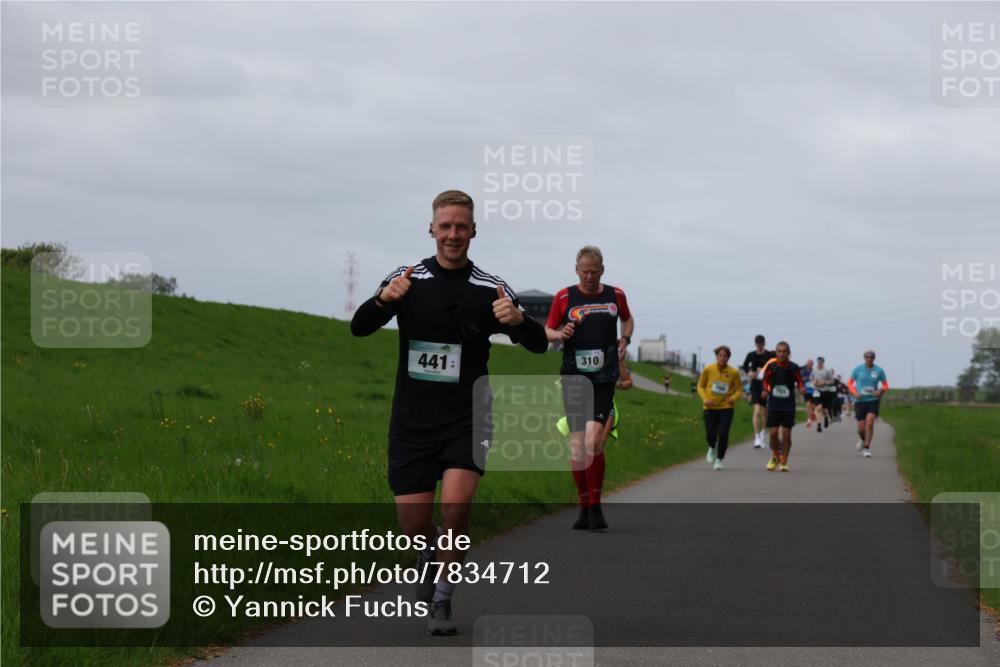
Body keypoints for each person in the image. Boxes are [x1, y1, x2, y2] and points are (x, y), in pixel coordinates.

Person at [350, 190, 548, 635]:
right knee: (413, 524)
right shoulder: (407, 278)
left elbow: (538, 344)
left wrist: (518, 322)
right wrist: (383, 301)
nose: (453, 234)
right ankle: (429, 549)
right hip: (412, 421)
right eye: (445, 226)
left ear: (474, 230)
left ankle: (442, 600)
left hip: (468, 417)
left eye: (462, 226)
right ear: (432, 229)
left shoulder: (490, 287)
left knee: (456, 508)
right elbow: (359, 327)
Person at [545, 246, 634, 531]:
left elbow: (627, 319)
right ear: (576, 270)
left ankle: (596, 507)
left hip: (603, 377)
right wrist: (559, 333)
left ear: (602, 270)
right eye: (585, 272)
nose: (590, 277)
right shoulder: (564, 296)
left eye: (595, 272)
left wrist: (625, 339)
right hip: (574, 375)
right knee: (576, 444)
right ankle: (583, 508)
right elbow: (547, 329)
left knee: (593, 441)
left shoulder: (615, 295)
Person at [760, 341, 805, 472]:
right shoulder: (772, 366)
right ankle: (775, 456)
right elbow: (765, 382)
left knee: (786, 434)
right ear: (776, 352)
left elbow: (800, 381)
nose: (781, 354)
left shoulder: (793, 367)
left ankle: (784, 460)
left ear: (788, 353)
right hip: (774, 403)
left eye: (784, 351)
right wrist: (764, 390)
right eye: (779, 351)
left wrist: (801, 388)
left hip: (788, 405)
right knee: (773, 433)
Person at [697, 345, 744, 470]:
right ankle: (712, 447)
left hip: (726, 407)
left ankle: (719, 459)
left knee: (723, 434)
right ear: (716, 356)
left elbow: (739, 389)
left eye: (725, 356)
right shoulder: (708, 369)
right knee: (710, 434)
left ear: (728, 358)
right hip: (710, 407)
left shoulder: (733, 372)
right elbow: (700, 386)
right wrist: (705, 400)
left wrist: (733, 398)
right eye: (720, 356)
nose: (722, 358)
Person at [848, 350, 890, 458]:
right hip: (860, 401)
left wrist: (880, 391)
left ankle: (867, 448)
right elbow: (849, 383)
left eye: (871, 357)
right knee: (861, 429)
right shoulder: (858, 369)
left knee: (870, 423)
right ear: (864, 358)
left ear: (874, 358)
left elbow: (886, 385)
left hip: (872, 401)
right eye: (867, 357)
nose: (869, 358)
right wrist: (854, 393)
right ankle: (862, 439)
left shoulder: (879, 370)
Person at [741, 335, 776, 448]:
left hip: (766, 384)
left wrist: (765, 370)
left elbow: (775, 366)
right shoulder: (751, 355)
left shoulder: (770, 355)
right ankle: (756, 437)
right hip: (755, 384)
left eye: (761, 343)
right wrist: (749, 372)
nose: (759, 345)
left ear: (764, 343)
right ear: (755, 344)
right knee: (757, 412)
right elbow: (745, 366)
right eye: (757, 343)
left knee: (765, 413)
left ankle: (763, 432)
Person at [812, 356, 836, 432]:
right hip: (817, 391)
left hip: (825, 391)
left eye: (821, 360)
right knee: (818, 408)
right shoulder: (814, 371)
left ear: (823, 362)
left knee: (825, 409)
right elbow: (812, 379)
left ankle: (826, 418)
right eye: (818, 360)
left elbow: (832, 381)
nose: (819, 362)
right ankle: (819, 424)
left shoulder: (827, 371)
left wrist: (824, 382)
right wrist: (814, 383)